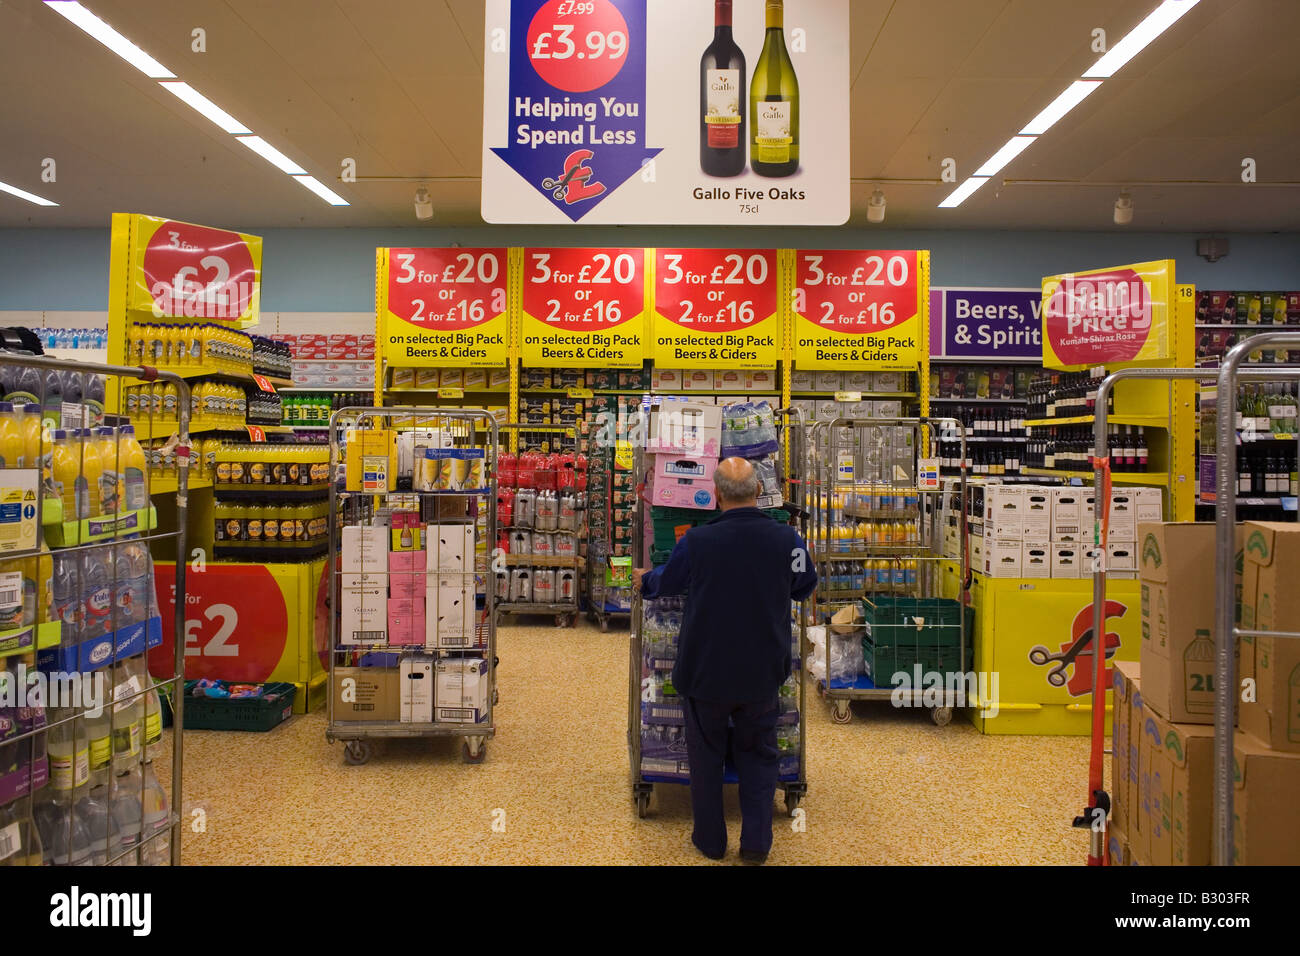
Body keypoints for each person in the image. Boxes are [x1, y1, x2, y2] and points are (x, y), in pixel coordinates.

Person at [634, 456, 817, 864]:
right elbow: (805, 586)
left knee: (706, 756)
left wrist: (644, 577)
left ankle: (711, 841)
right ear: (757, 492)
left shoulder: (697, 542)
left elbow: (667, 582)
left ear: (715, 495)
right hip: (761, 671)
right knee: (758, 754)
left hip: (706, 670)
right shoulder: (788, 542)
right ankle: (755, 844)